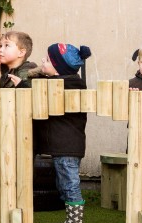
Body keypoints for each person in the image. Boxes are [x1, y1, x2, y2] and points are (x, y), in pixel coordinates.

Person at [30, 43, 91, 223]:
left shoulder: (69, 86)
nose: (43, 60)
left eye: (48, 59)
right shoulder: (60, 83)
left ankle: (75, 220)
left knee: (69, 184)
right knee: (63, 184)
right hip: (61, 144)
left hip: (66, 146)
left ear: (57, 69)